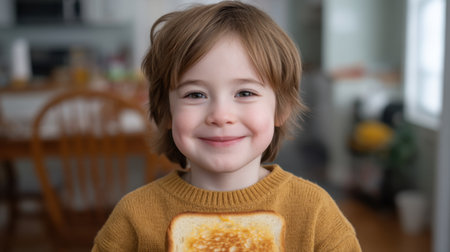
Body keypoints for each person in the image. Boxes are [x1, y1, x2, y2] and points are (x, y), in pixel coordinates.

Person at [92, 1, 361, 251]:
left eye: (245, 93)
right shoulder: (134, 216)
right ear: (167, 113)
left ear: (281, 109)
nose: (221, 115)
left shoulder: (314, 211)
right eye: (195, 94)